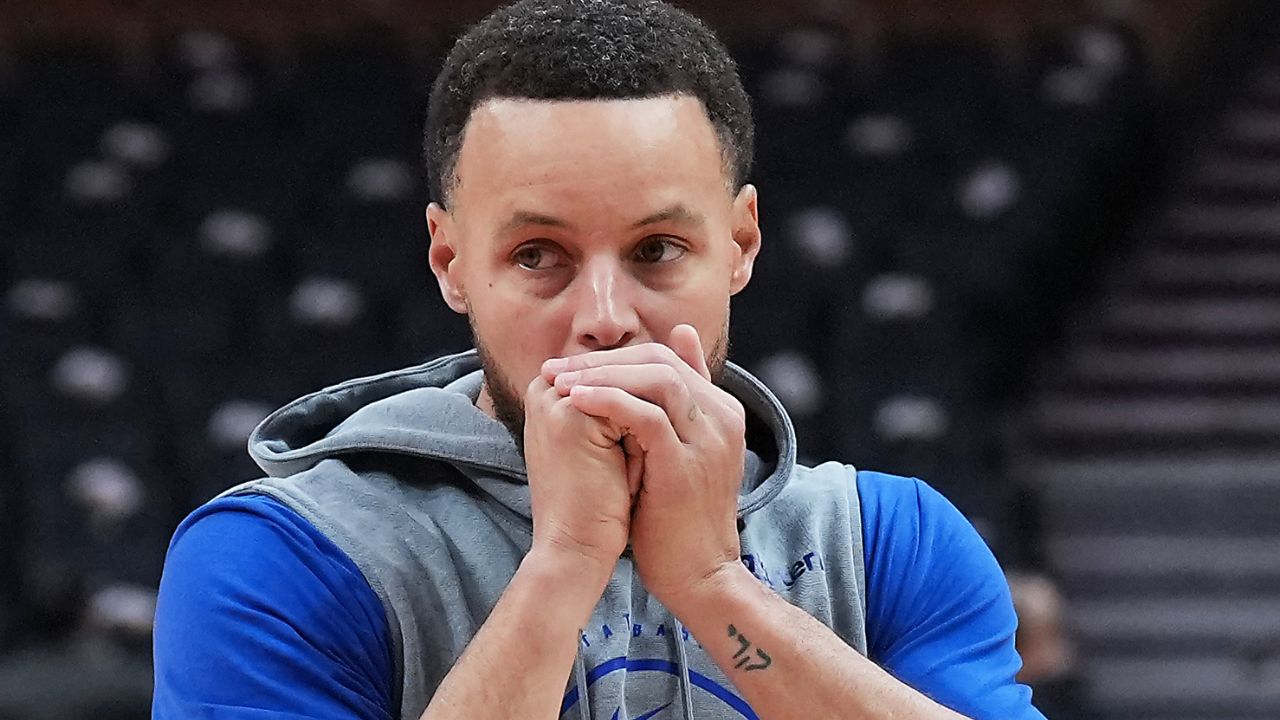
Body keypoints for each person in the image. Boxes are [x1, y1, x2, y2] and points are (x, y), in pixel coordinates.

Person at [152, 1, 1045, 718]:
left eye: (657, 250)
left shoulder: (887, 540)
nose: (607, 320)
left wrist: (711, 584)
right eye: (539, 256)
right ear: (451, 262)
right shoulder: (283, 555)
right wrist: (565, 563)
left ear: (739, 243)